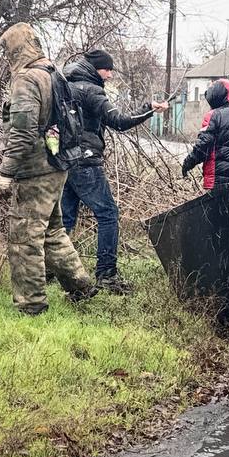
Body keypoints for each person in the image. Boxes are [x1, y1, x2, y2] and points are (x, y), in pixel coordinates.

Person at [0, 22, 97, 315]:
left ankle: (31, 305)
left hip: (35, 170)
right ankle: (80, 285)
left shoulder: (27, 79)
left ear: (16, 48)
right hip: (57, 164)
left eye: (6, 50)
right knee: (52, 231)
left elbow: (23, 132)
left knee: (24, 238)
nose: (6, 56)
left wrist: (6, 172)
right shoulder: (53, 72)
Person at [61, 50, 169, 294]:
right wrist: (149, 109)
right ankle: (106, 275)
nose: (109, 75)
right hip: (86, 161)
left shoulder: (64, 86)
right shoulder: (91, 90)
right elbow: (119, 121)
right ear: (96, 68)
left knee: (65, 219)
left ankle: (53, 270)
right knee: (108, 214)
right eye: (107, 69)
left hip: (64, 160)